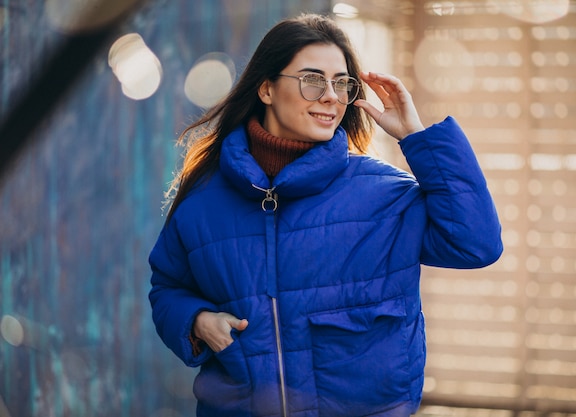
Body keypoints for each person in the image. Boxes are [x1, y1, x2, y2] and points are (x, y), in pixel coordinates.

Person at [149, 13, 502, 417]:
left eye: (342, 83)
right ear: (266, 88)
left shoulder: (382, 196)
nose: (331, 96)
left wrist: (417, 137)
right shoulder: (204, 199)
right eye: (313, 80)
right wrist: (196, 321)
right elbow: (167, 287)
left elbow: (476, 244)